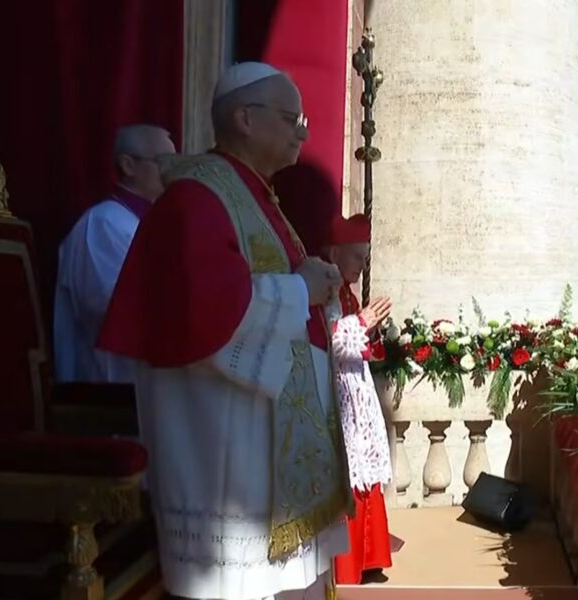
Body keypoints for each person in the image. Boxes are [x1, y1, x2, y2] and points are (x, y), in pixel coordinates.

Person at [96, 63, 350, 600]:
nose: (302, 131)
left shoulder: (252, 195)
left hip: (256, 432)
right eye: (291, 118)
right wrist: (302, 289)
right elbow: (210, 312)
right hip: (223, 438)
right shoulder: (197, 199)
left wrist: (315, 288)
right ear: (245, 119)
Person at [54, 124, 176, 383]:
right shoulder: (104, 224)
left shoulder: (151, 222)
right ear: (128, 165)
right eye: (163, 162)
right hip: (110, 387)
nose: (172, 173)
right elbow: (111, 307)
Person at [322, 214, 394, 585]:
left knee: (366, 471)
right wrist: (362, 322)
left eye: (365, 259)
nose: (362, 267)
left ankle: (368, 558)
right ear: (335, 252)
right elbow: (326, 339)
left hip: (357, 389)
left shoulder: (346, 291)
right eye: (357, 257)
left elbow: (356, 343)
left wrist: (371, 329)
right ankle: (347, 564)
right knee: (351, 471)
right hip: (336, 393)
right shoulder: (325, 289)